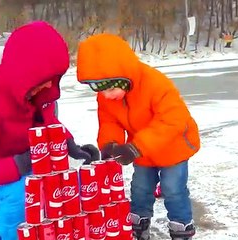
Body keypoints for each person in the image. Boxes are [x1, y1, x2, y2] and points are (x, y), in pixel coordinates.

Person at [0, 21, 99, 240]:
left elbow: (49, 124)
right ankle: (5, 235)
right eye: (44, 80)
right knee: (23, 191)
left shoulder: (39, 94)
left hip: (23, 172)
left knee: (70, 182)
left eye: (54, 78)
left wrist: (72, 147)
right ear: (25, 74)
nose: (48, 86)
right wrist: (22, 163)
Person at [76, 33, 201, 240]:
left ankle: (181, 228)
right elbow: (109, 122)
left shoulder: (156, 84)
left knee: (172, 189)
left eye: (112, 89)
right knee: (140, 187)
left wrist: (135, 148)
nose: (107, 96)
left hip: (173, 146)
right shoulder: (108, 95)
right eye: (100, 90)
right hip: (141, 149)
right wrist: (110, 144)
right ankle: (138, 224)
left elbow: (172, 121)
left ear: (125, 78)